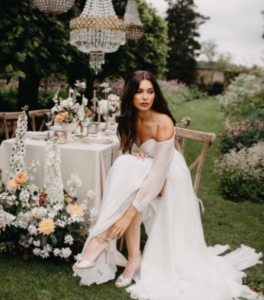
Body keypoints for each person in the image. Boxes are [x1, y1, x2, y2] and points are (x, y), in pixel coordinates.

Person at [73, 70, 262, 300]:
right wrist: (138, 156)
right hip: (145, 175)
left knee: (130, 180)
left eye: (150, 92)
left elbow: (159, 175)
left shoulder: (163, 122)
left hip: (169, 179)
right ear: (130, 95)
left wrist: (125, 215)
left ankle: (101, 239)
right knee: (127, 168)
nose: (145, 97)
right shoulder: (128, 120)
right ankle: (130, 257)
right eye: (139, 92)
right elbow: (129, 154)